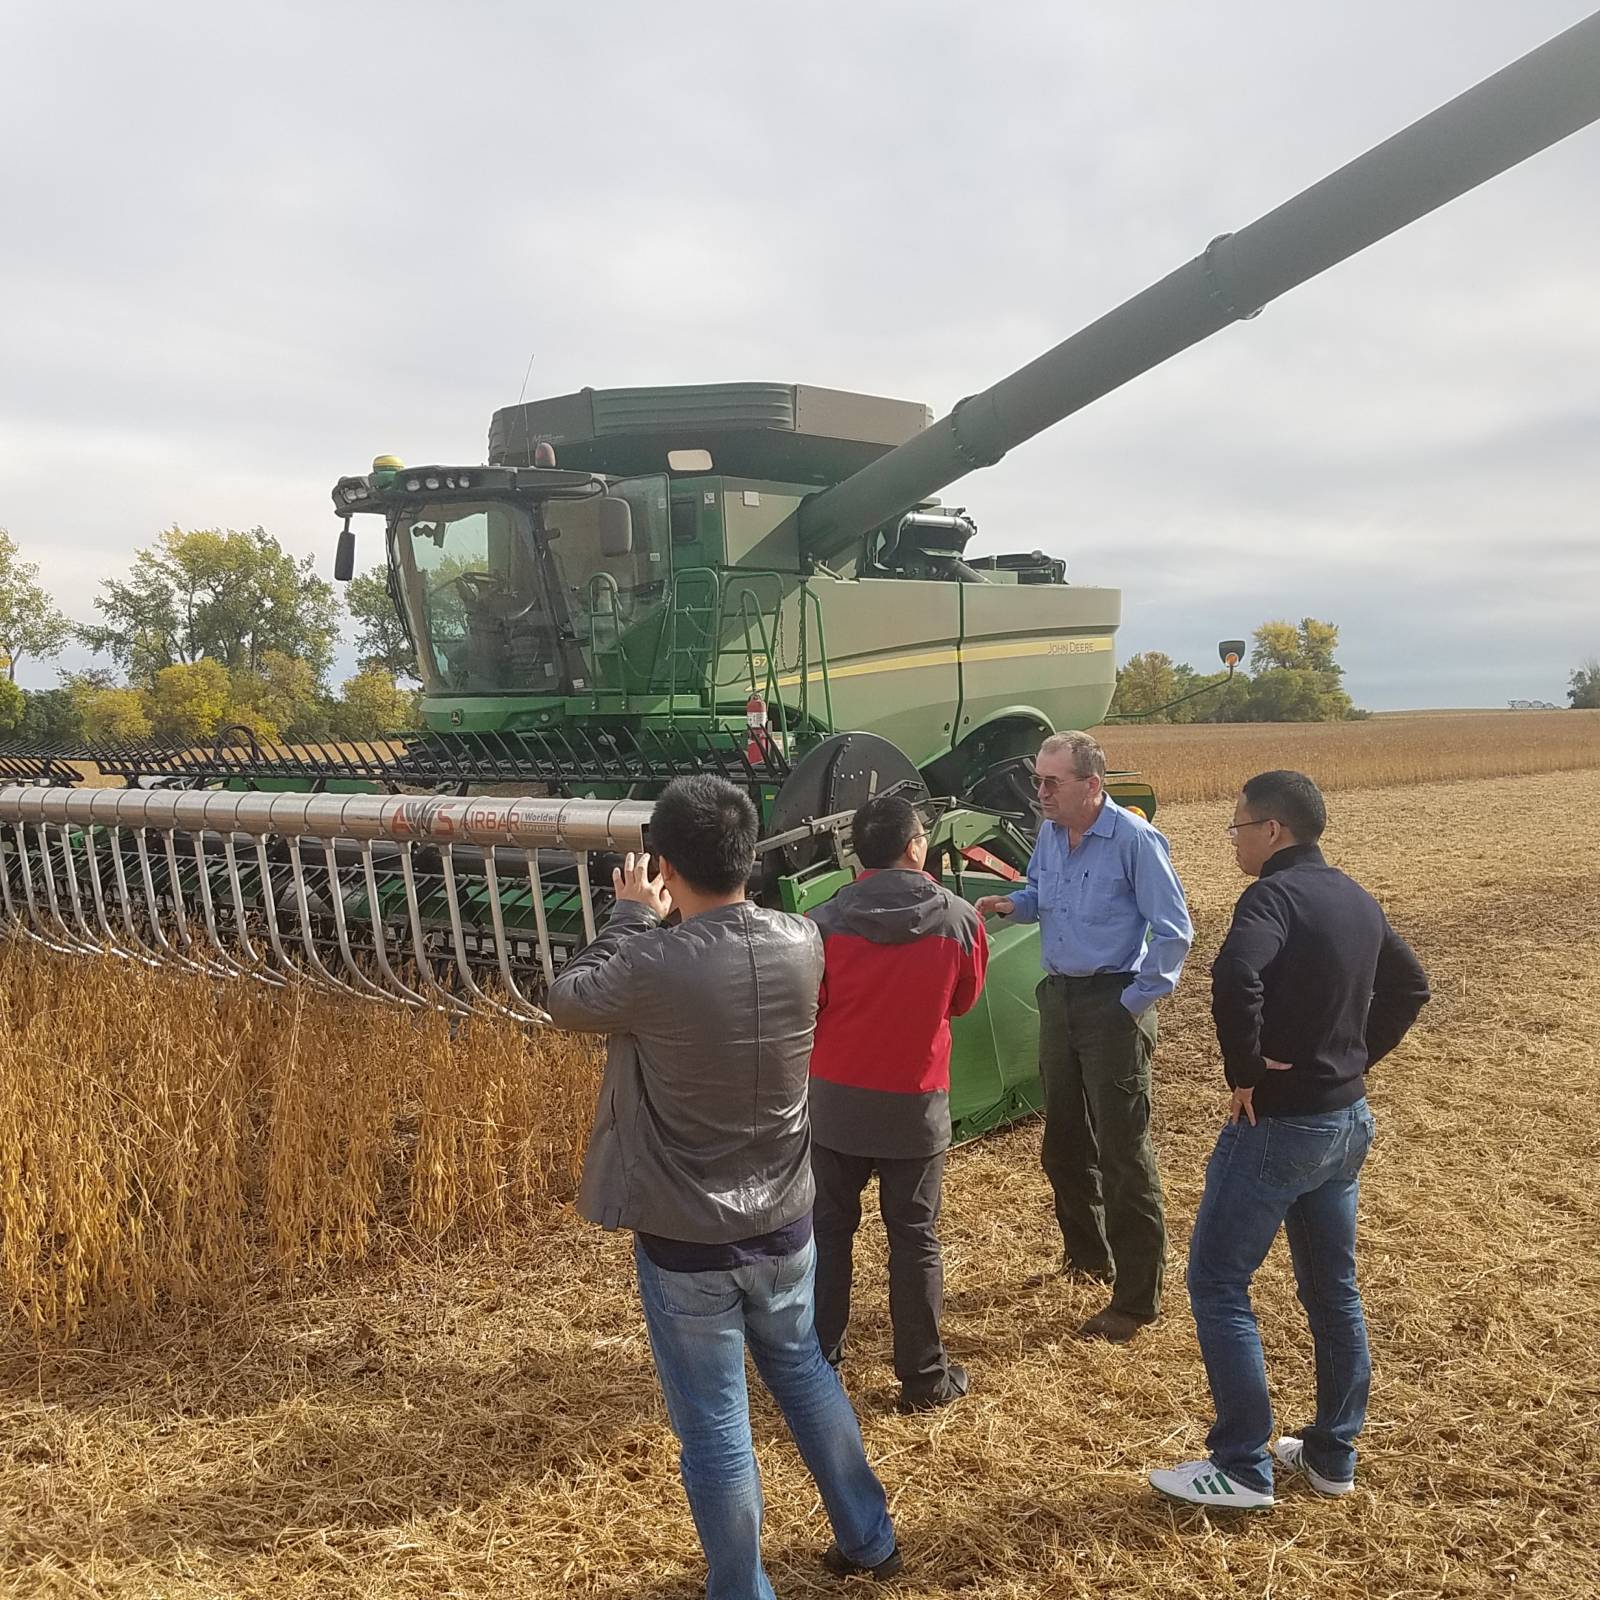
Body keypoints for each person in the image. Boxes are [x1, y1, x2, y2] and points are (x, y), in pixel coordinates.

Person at [547, 775, 900, 1598]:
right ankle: (870, 1538)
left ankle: (742, 1588)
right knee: (807, 1373)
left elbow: (566, 1000)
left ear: (663, 864)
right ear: (749, 853)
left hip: (687, 1241)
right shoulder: (802, 940)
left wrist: (633, 913)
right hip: (786, 1220)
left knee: (715, 1429)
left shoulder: (651, 965)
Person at [1150, 770, 1429, 1510]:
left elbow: (1235, 969)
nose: (1235, 839)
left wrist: (1245, 1068)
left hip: (1280, 1125)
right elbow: (1411, 986)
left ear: (1272, 830)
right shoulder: (1352, 895)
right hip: (1346, 1123)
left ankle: (1242, 1465)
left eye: (1238, 826)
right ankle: (1333, 1454)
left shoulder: (1270, 896)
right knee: (1333, 1289)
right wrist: (1356, 1057)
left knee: (1217, 1282)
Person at [975, 729, 1192, 1343]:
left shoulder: (1135, 840)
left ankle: (1136, 1296)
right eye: (1037, 780)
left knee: (1123, 1150)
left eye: (1051, 782)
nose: (1038, 792)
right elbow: (1044, 894)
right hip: (1060, 997)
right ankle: (1088, 1258)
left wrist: (1132, 1004)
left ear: (1092, 786)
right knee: (1063, 1143)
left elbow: (1174, 932)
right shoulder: (1050, 831)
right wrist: (1010, 906)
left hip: (1112, 1001)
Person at [808, 794, 988, 1412]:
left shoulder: (822, 921)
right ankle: (924, 1377)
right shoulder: (960, 920)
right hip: (914, 1108)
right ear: (916, 846)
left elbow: (814, 1006)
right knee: (914, 1240)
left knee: (827, 1236)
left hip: (833, 1106)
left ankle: (817, 1370)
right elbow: (962, 1003)